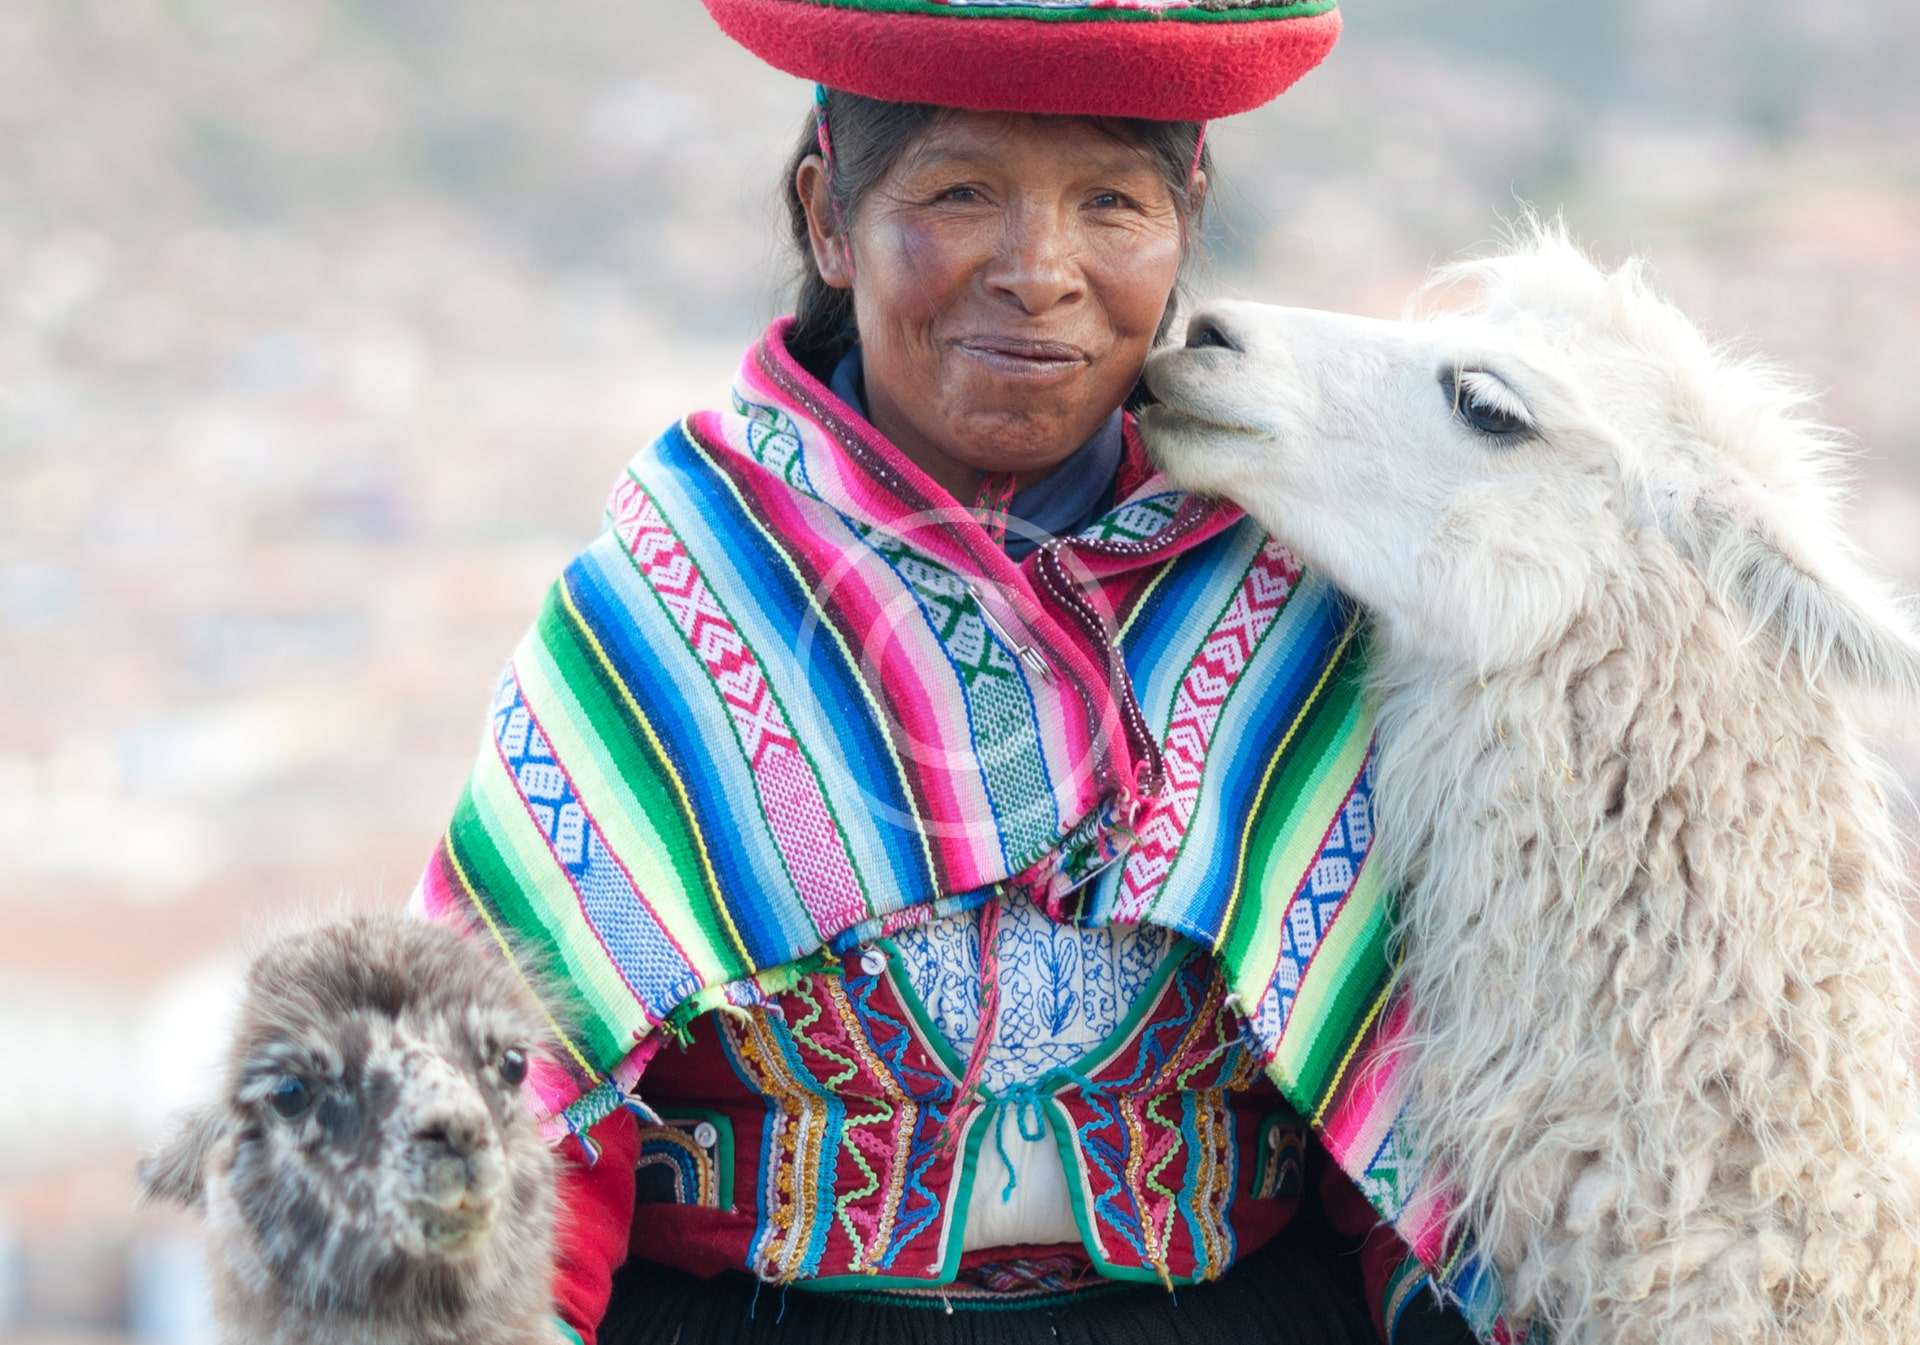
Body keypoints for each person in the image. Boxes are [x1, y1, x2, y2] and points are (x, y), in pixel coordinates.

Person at [412, 3, 1492, 1343]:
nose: (1039, 270)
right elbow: (529, 1129)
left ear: (1188, 215)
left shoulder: (1296, 603)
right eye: (961, 192)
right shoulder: (673, 613)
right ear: (827, 213)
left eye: (1113, 201)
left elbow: (1419, 1114)